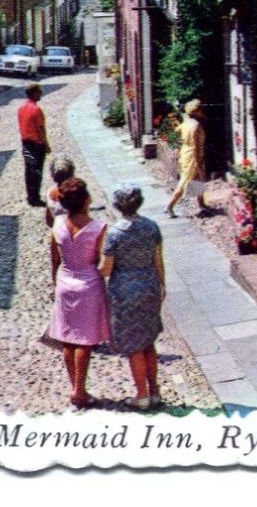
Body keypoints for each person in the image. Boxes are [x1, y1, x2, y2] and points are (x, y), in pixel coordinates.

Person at [101, 184, 166, 409]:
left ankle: (142, 395)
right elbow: (158, 260)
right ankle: (155, 391)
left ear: (118, 205)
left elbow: (107, 269)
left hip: (125, 292)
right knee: (148, 341)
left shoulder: (115, 233)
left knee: (134, 346)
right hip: (149, 286)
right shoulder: (152, 227)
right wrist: (162, 285)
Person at [48, 178, 109, 409]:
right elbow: (103, 262)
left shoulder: (57, 226)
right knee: (84, 340)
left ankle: (75, 387)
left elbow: (54, 257)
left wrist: (55, 280)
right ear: (85, 200)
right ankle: (79, 390)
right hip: (88, 285)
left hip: (64, 281)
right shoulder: (98, 228)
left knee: (67, 339)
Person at [165, 99, 208, 217]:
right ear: (196, 111)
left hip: (185, 153)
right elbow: (195, 146)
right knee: (185, 181)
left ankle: (201, 204)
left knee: (198, 180)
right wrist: (198, 162)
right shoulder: (196, 125)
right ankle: (169, 206)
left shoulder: (185, 123)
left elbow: (175, 135)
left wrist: (179, 147)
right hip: (192, 156)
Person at [18, 83, 49, 207]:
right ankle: (35, 198)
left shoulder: (21, 108)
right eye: (39, 92)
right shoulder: (36, 110)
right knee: (36, 172)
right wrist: (46, 145)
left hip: (25, 143)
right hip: (36, 144)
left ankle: (30, 196)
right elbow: (41, 129)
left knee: (29, 170)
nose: (41, 94)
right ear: (34, 93)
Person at [45, 156, 76, 229]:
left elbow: (49, 221)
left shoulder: (50, 193)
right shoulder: (77, 192)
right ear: (72, 174)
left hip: (60, 232)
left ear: (53, 175)